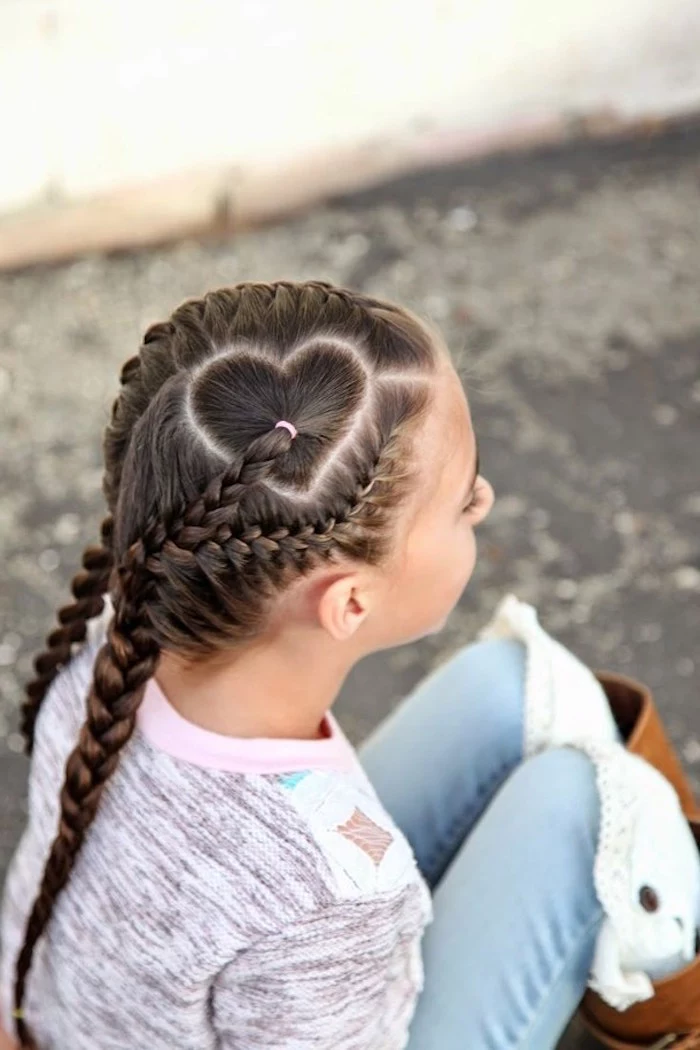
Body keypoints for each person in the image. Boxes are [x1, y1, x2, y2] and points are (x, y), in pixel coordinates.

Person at [0, 281, 602, 1050]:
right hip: (323, 961)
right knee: (583, 803)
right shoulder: (332, 904)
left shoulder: (109, 638)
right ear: (349, 603)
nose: (483, 498)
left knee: (508, 685)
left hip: (59, 1013)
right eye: (460, 501)